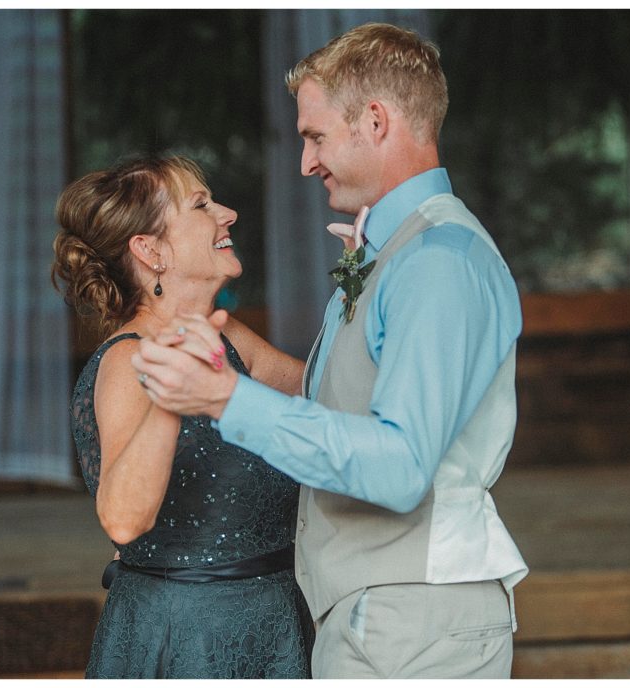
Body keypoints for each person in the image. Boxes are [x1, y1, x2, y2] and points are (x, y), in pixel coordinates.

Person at [132, 23, 528, 678]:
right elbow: (350, 406)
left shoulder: (438, 260)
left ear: (375, 121)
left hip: (414, 620)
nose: (306, 163)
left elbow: (401, 467)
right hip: (384, 613)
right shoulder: (396, 252)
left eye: (315, 137)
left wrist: (230, 400)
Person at [50, 155, 312, 679]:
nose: (228, 213)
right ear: (151, 251)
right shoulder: (128, 362)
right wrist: (173, 396)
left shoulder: (228, 338)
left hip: (276, 626)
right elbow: (123, 520)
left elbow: (334, 397)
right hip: (183, 636)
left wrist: (367, 293)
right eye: (201, 204)